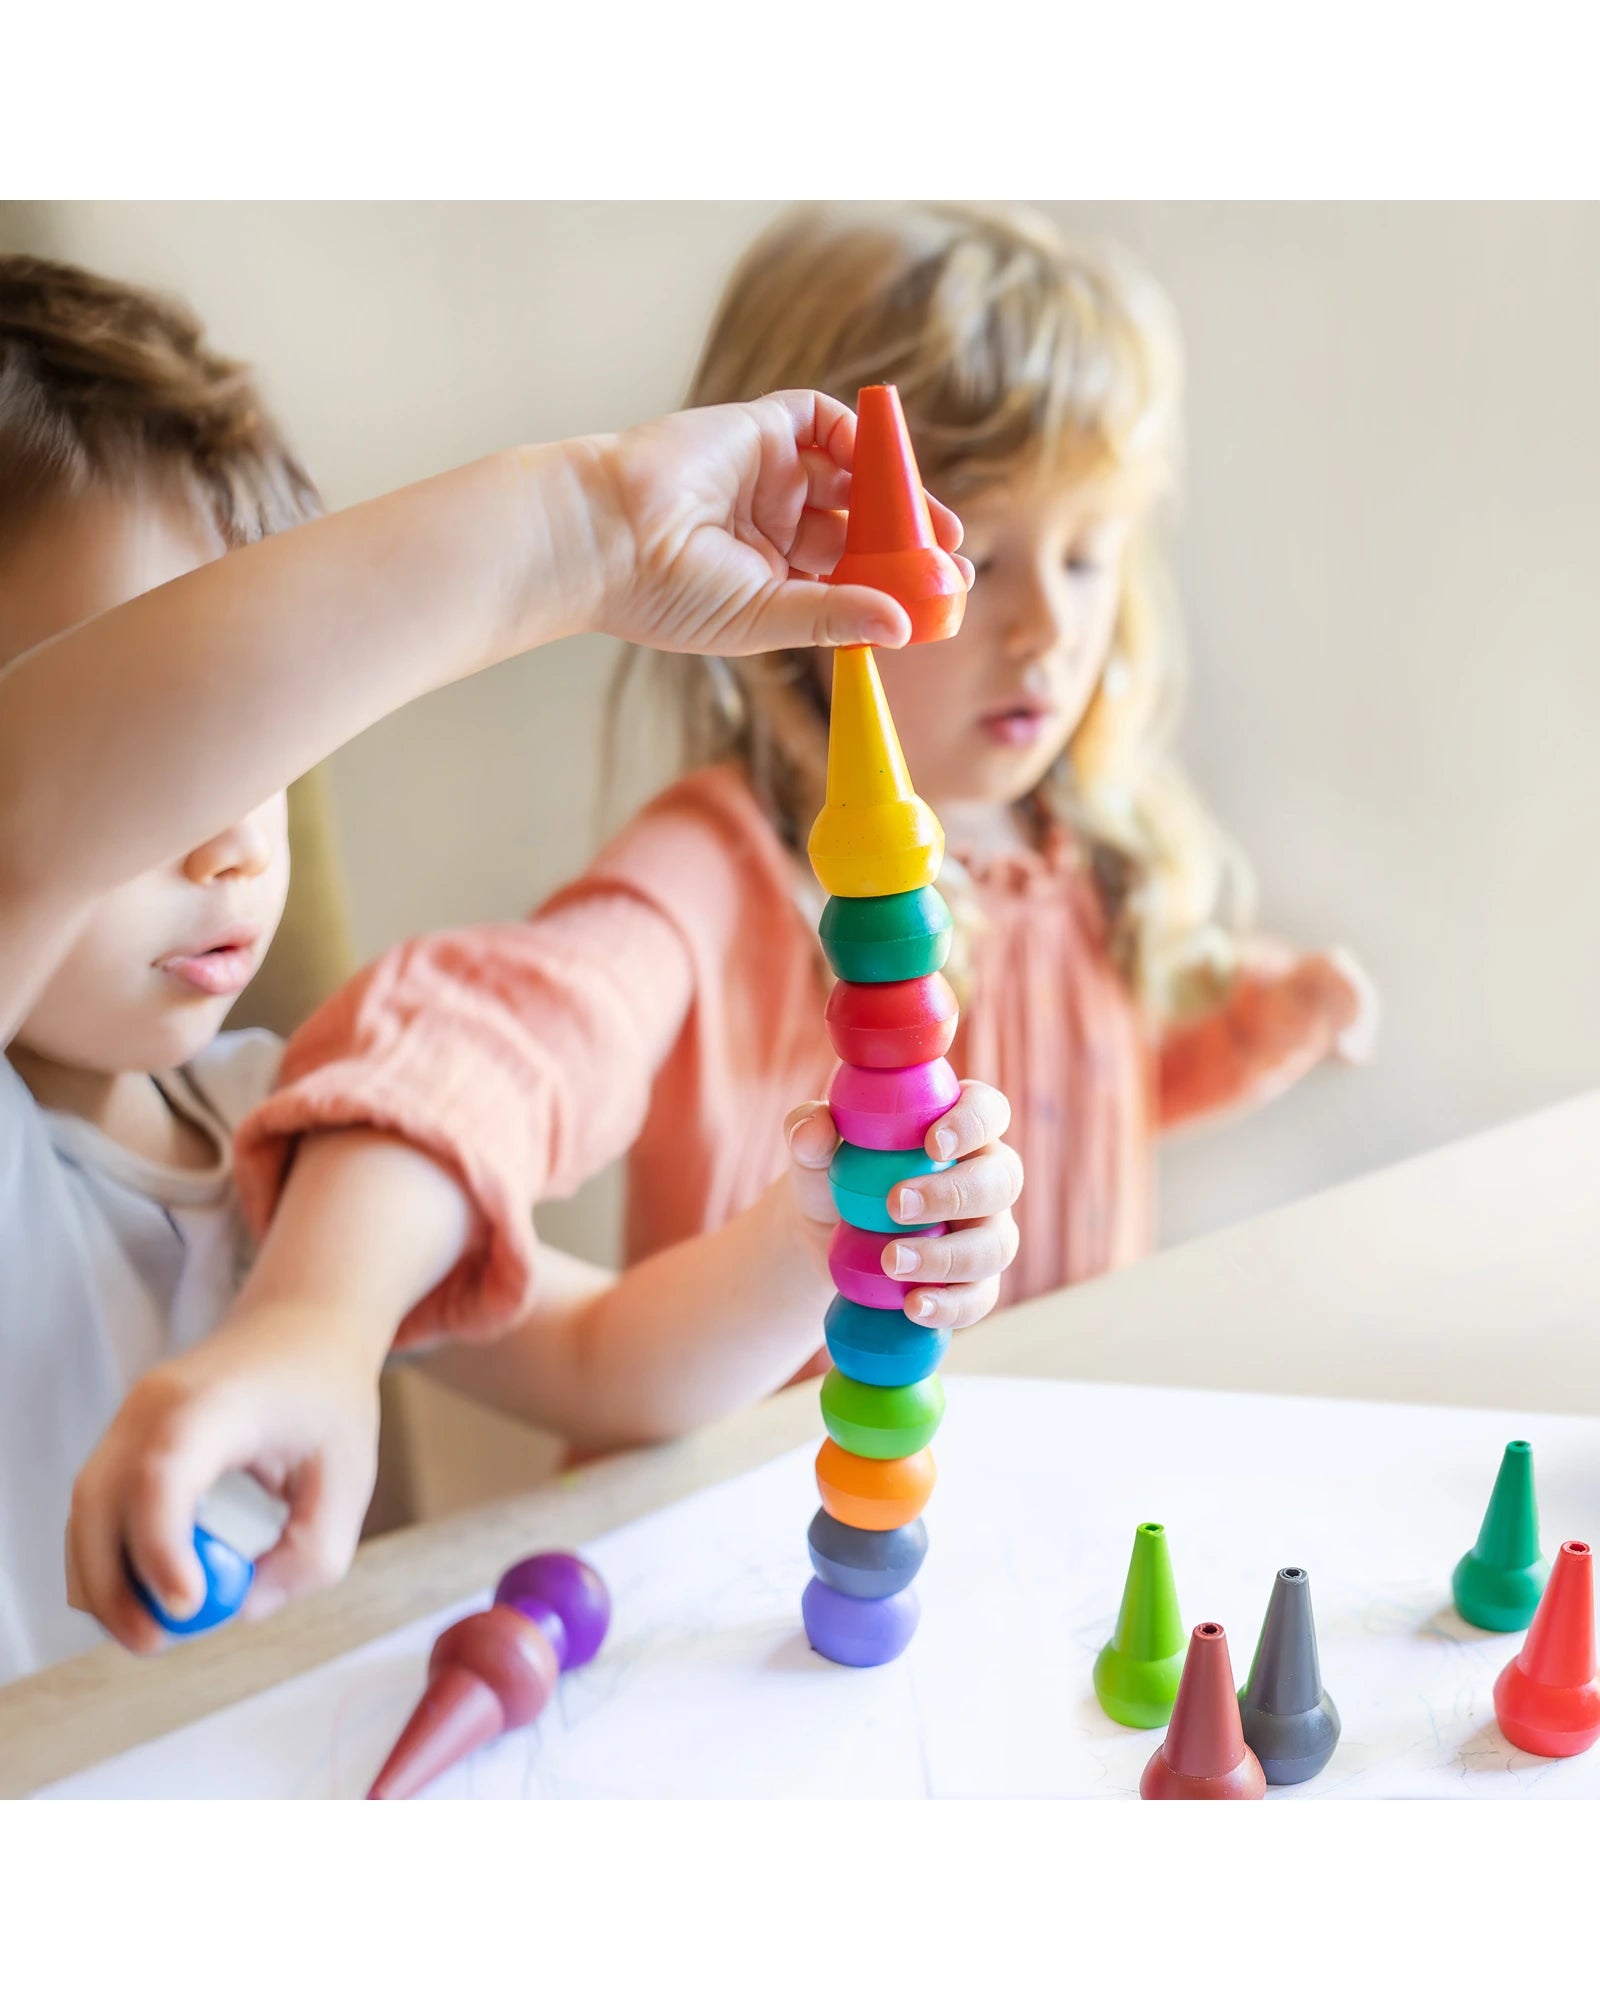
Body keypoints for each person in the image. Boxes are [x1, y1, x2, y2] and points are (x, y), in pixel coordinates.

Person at [232, 203, 1373, 1481]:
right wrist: (323, 1302)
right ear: (791, 582)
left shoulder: (1076, 852)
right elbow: (497, 1038)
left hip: (1025, 1487)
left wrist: (1238, 1029)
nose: (1046, 627)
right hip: (757, 1516)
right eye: (981, 556)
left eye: (1086, 557)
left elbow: (1065, 1093)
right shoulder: (721, 877)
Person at [0, 252, 1018, 1680]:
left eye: (265, 755)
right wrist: (582, 525)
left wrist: (832, 1230)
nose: (233, 840)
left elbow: (612, 1360)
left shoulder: (259, 1116)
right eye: (169, 760)